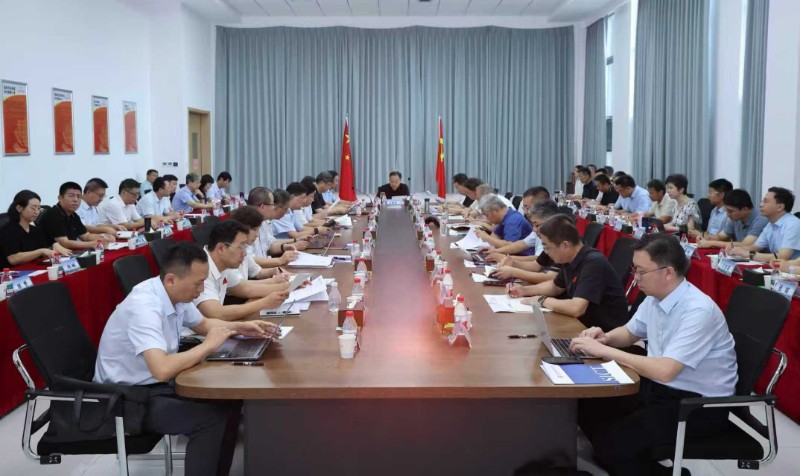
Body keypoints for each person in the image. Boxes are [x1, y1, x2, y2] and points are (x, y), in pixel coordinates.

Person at [93, 242, 277, 476]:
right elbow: (161, 369)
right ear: (171, 279)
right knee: (209, 419)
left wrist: (241, 327)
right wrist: (209, 345)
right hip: (125, 398)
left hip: (152, 385)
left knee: (229, 401)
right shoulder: (144, 307)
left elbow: (203, 324)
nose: (201, 290)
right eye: (198, 283)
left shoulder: (174, 293)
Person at [571, 233, 737, 476]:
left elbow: (665, 371)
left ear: (667, 272)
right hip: (661, 389)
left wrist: (605, 351)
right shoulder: (656, 297)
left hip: (698, 405)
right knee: (586, 406)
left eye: (641, 271)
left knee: (612, 445)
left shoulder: (697, 310)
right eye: (634, 269)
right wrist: (604, 337)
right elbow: (630, 332)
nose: (635, 277)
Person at [509, 214, 628, 332]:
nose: (547, 253)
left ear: (565, 245)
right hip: (582, 326)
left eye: (547, 248)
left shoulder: (593, 263)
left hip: (604, 334)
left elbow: (577, 308)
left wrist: (542, 300)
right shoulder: (569, 258)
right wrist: (524, 290)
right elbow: (555, 286)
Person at [194, 221, 289, 321]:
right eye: (241, 247)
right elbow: (217, 313)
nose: (244, 253)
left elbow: (246, 288)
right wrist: (265, 302)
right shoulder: (200, 268)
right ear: (221, 248)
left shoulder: (223, 264)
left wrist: (289, 285)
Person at [490, 200, 562, 284]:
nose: (534, 230)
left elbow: (550, 278)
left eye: (537, 225)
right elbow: (536, 265)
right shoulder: (548, 239)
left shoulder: (561, 240)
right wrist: (513, 263)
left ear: (551, 221)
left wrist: (514, 272)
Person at [0, 190, 71, 267]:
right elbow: (13, 259)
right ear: (19, 208)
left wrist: (53, 246)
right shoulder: (8, 230)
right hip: (13, 272)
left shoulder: (35, 228)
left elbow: (44, 248)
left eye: (38, 208)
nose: (37, 212)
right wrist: (41, 251)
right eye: (33, 208)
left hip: (34, 268)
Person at [730, 187, 800, 262]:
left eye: (765, 201)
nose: (761, 204)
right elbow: (755, 247)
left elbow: (782, 256)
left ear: (780, 207)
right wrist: (736, 249)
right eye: (762, 201)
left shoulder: (793, 224)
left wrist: (747, 254)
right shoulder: (770, 225)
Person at [39, 182, 114, 251]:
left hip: (69, 253)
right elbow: (64, 243)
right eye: (71, 196)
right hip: (50, 256)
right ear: (60, 198)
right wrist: (92, 244)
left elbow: (86, 236)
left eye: (78, 196)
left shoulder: (74, 215)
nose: (75, 200)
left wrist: (103, 237)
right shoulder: (52, 214)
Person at [246, 187, 306, 267]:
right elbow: (249, 260)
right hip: (257, 272)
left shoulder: (264, 222)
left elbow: (271, 245)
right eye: (272, 204)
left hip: (265, 269)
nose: (274, 207)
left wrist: (283, 247)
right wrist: (279, 261)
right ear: (262, 207)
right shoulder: (246, 225)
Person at [229, 206, 291, 282]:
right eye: (254, 230)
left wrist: (274, 270)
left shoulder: (245, 247)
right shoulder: (230, 251)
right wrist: (275, 281)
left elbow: (257, 272)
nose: (257, 235)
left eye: (258, 230)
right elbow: (242, 286)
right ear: (241, 228)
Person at [697, 189, 768, 249]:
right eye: (726, 210)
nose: (727, 214)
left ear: (745, 210)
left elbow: (746, 244)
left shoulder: (761, 219)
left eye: (730, 211)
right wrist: (705, 238)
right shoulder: (734, 217)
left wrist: (711, 243)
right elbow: (721, 236)